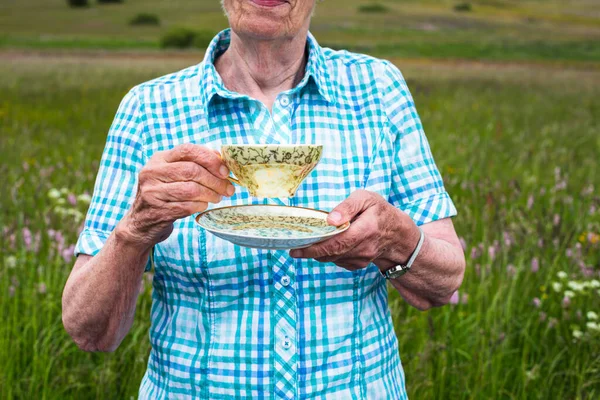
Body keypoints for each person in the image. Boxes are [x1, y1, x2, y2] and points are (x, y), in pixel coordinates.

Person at [62, 0, 466, 398]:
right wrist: (134, 231)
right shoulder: (148, 109)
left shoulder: (378, 89)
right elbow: (90, 331)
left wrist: (396, 240)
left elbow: (444, 281)